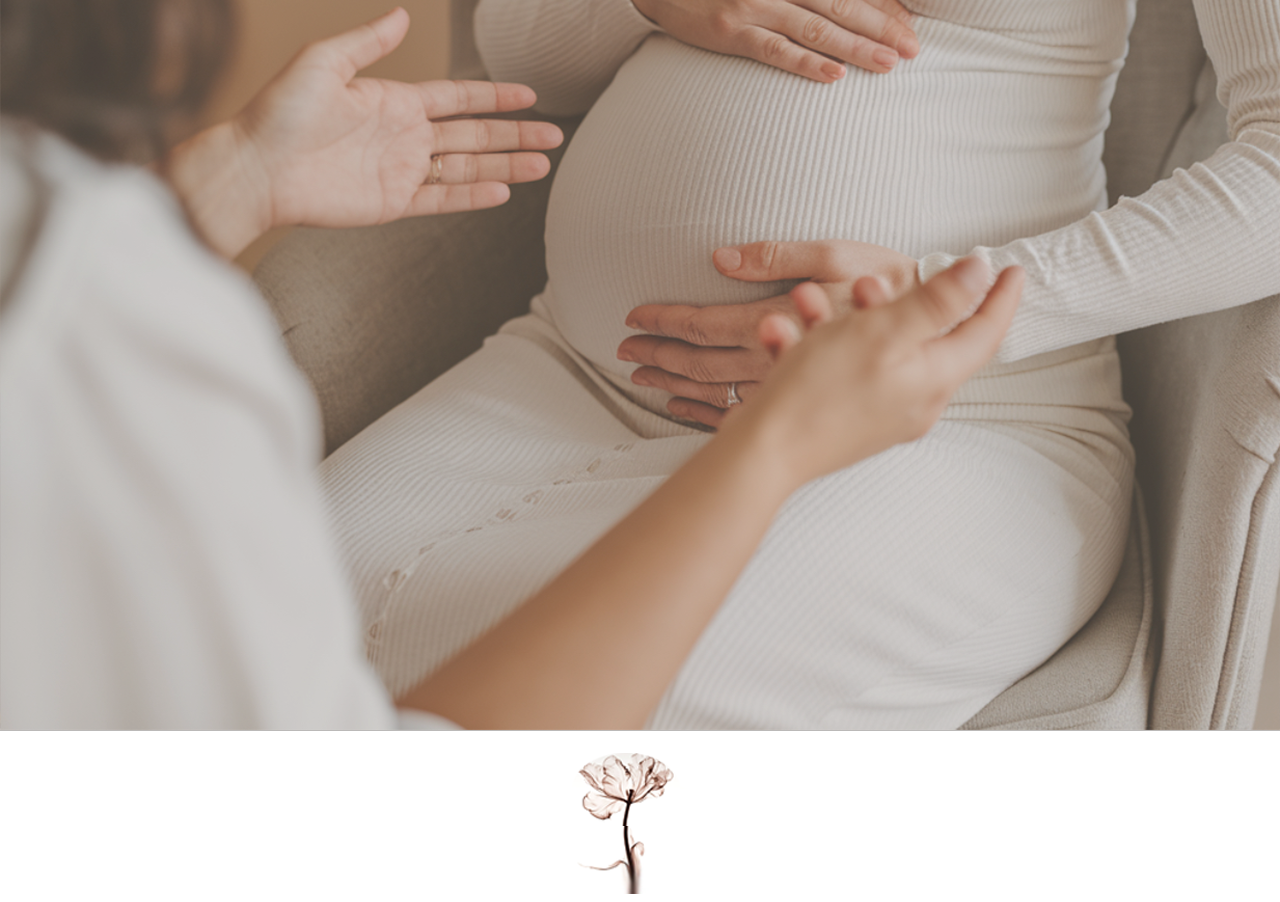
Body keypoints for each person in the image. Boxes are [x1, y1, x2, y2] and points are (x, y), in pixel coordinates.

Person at [0, 1, 1021, 728]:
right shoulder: (118, 322)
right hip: (590, 375)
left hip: (950, 412)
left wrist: (230, 182)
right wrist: (775, 448)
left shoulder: (96, 289)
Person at [313, 0, 1279, 729]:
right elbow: (515, 47)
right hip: (570, 378)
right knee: (266, 613)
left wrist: (937, 307)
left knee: (618, 739)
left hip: (955, 424)